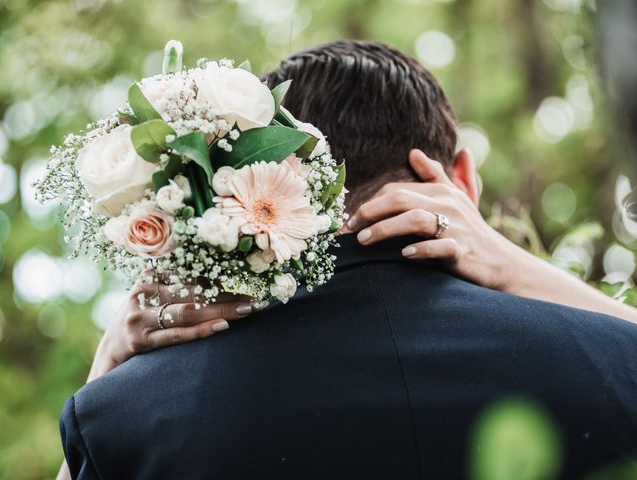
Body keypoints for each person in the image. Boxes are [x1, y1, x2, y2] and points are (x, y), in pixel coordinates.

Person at [59, 40, 637, 479]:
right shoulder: (618, 362)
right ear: (461, 178)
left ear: (259, 192)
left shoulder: (122, 418)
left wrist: (106, 369)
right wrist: (516, 266)